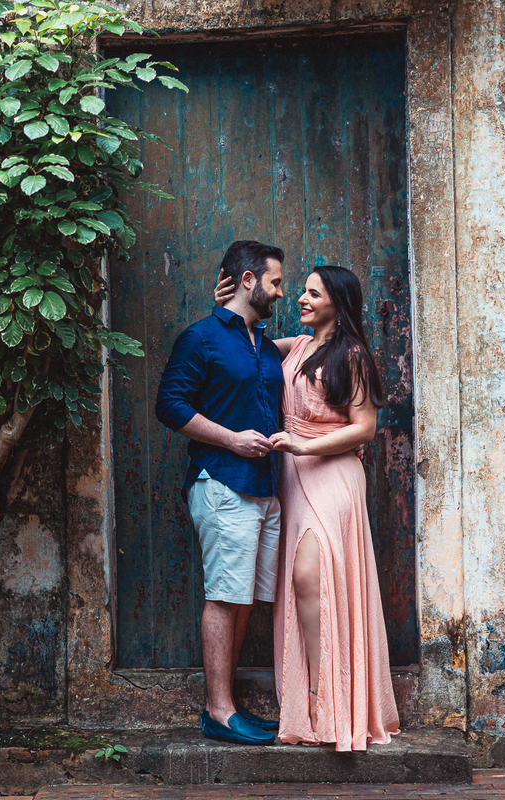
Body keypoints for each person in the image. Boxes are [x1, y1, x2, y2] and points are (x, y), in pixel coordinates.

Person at [214, 264, 401, 750]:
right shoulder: (295, 346)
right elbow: (246, 349)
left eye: (312, 293)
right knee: (300, 587)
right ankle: (314, 697)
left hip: (332, 473)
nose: (300, 298)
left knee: (308, 576)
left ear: (337, 303)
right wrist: (225, 310)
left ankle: (326, 698)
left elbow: (364, 428)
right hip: (292, 478)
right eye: (300, 291)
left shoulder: (352, 354)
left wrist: (303, 446)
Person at [154, 240, 286, 746]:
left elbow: (319, 338)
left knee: (248, 598)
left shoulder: (265, 345)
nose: (280, 291)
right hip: (222, 483)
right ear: (248, 280)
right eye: (274, 281)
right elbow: (169, 405)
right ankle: (219, 710)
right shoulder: (201, 338)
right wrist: (231, 439)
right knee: (224, 597)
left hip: (265, 489)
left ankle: (224, 704)